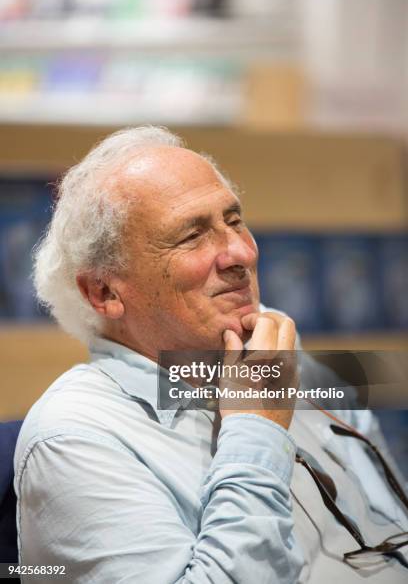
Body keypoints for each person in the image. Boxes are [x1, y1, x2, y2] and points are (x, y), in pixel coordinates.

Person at [14, 127, 407, 583]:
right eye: (192, 236)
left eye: (235, 221)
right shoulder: (75, 438)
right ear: (104, 292)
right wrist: (256, 429)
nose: (242, 253)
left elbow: (388, 517)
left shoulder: (273, 347)